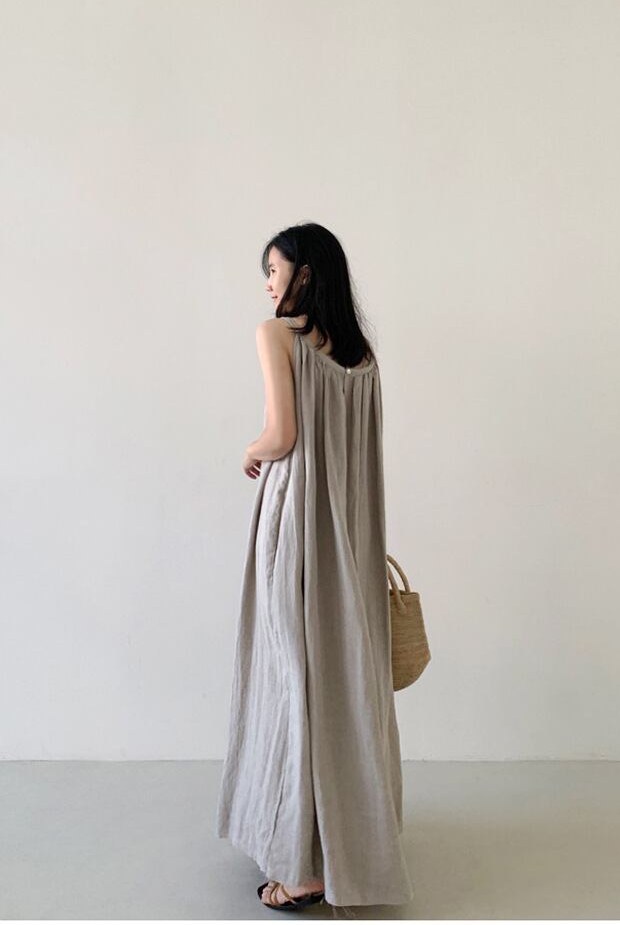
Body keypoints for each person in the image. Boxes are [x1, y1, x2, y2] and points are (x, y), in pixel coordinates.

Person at [214, 222, 414, 910]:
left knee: (290, 678)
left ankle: (301, 868)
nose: (268, 285)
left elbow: (283, 435)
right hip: (349, 537)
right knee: (342, 682)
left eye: (272, 271)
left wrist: (251, 449)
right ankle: (345, 850)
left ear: (302, 273)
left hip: (296, 528)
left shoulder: (277, 337)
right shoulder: (363, 360)